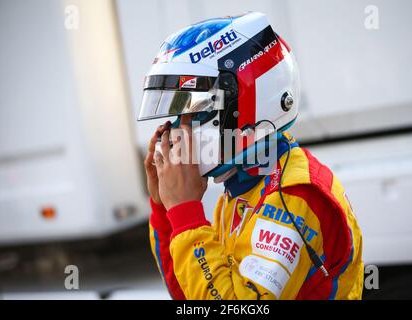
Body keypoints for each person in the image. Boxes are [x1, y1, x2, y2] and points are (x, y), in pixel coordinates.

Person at [138, 12, 364, 300]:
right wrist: (167, 210)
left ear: (242, 104)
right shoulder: (243, 189)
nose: (176, 130)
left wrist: (186, 212)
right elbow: (188, 293)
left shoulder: (294, 197)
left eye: (193, 112)